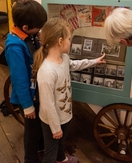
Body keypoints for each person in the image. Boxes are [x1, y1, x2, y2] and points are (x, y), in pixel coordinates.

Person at [32, 18, 106, 163]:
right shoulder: (47, 72)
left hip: (65, 115)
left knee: (60, 141)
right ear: (60, 41)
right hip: (51, 121)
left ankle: (62, 159)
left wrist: (94, 61)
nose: (70, 42)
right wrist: (55, 128)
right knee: (51, 152)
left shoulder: (64, 58)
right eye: (69, 38)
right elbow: (47, 105)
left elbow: (74, 64)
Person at [5, 0, 47, 163]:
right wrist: (27, 106)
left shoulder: (30, 36)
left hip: (37, 91)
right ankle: (30, 158)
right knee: (32, 130)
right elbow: (19, 79)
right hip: (28, 97)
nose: (40, 30)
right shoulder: (14, 46)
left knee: (40, 125)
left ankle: (42, 147)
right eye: (38, 27)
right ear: (25, 28)